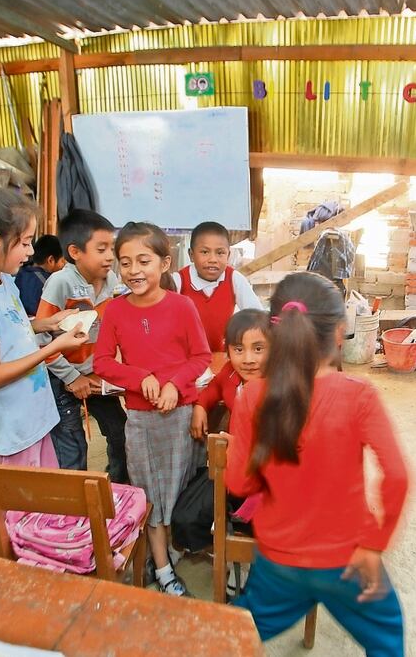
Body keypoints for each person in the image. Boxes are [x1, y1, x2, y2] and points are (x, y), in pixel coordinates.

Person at [226, 272, 410, 656]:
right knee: (387, 635)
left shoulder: (251, 396)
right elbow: (397, 475)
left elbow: (239, 485)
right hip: (347, 560)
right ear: (339, 333)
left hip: (278, 560)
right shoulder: (358, 395)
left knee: (237, 633)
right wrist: (374, 544)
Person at [94, 222, 211, 597]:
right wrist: (138, 376)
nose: (133, 270)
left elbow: (201, 356)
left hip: (178, 417)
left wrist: (175, 385)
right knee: (150, 494)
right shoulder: (115, 310)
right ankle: (163, 570)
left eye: (143, 260)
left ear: (165, 263)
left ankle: (165, 552)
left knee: (177, 490)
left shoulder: (182, 306)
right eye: (124, 262)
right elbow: (101, 363)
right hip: (142, 422)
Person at [0, 188, 86, 467]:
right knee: (27, 508)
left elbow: (10, 331)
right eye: (24, 243)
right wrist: (55, 346)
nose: (31, 251)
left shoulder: (2, 281)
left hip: (31, 417)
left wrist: (46, 323)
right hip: (12, 430)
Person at [35, 209, 128, 480]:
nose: (110, 256)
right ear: (75, 252)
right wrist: (72, 377)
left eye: (112, 247)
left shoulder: (112, 281)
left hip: (95, 373)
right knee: (73, 443)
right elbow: (42, 340)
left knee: (120, 432)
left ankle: (117, 488)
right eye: (101, 249)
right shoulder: (60, 283)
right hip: (62, 375)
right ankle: (75, 509)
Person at [172, 221, 264, 354]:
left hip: (221, 355)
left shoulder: (234, 279)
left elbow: (257, 317)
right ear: (191, 255)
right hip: (185, 358)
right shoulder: (178, 281)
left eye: (220, 253)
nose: (212, 259)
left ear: (229, 255)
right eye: (204, 252)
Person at [189, 308, 269, 440]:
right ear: (228, 351)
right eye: (239, 349)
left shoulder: (280, 382)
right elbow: (214, 387)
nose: (248, 360)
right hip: (236, 452)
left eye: (258, 349)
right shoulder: (230, 372)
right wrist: (200, 406)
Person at [15, 234, 65, 316]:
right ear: (51, 260)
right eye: (62, 261)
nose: (63, 265)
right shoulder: (49, 282)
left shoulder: (21, 272)